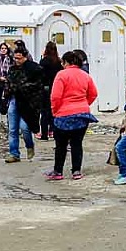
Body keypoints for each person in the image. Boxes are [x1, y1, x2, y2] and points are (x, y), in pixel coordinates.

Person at [45, 51, 99, 180]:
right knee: (77, 144)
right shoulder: (85, 75)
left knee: (61, 145)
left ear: (66, 62)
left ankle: (58, 171)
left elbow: (55, 96)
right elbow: (93, 93)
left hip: (63, 114)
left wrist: (55, 111)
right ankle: (76, 171)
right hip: (82, 114)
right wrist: (84, 104)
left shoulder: (61, 75)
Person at [4, 48, 43, 163]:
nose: (16, 60)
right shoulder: (12, 69)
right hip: (14, 100)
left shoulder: (34, 68)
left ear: (25, 57)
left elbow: (38, 85)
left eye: (19, 58)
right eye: (15, 58)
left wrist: (22, 87)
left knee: (25, 127)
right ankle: (14, 153)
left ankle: (29, 145)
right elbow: (8, 83)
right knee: (12, 129)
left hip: (28, 102)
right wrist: (6, 95)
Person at [38, 41, 63, 140]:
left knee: (44, 112)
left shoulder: (44, 61)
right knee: (54, 111)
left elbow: (40, 75)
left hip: (45, 88)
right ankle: (52, 131)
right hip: (56, 88)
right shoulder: (58, 62)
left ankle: (44, 134)